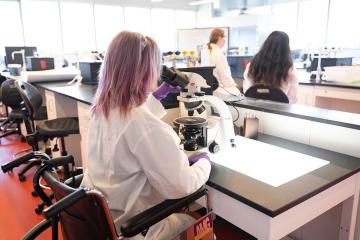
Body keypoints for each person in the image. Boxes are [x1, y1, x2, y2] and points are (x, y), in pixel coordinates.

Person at [80, 31, 211, 240]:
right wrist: (205, 162)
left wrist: (157, 95)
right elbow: (181, 186)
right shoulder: (142, 124)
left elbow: (130, 122)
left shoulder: (102, 108)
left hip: (103, 220)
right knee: (195, 222)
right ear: (145, 70)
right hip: (136, 228)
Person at [243, 31, 298, 103]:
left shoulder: (252, 66)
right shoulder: (289, 70)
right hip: (278, 112)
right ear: (286, 48)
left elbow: (247, 92)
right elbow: (292, 100)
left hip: (254, 110)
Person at [208, 28, 241, 99]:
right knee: (238, 93)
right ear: (220, 38)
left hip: (210, 89)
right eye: (224, 37)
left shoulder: (207, 51)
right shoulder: (218, 54)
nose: (225, 40)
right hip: (218, 90)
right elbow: (224, 78)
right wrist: (234, 85)